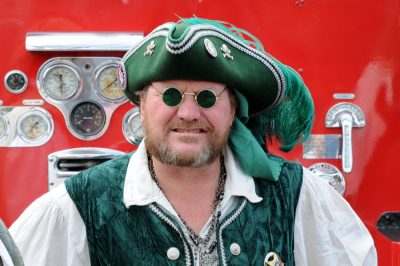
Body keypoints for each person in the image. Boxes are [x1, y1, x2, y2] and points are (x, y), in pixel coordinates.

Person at [10, 18, 377, 266]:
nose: (187, 113)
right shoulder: (73, 209)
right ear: (142, 102)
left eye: (206, 98)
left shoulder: (297, 196)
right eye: (170, 95)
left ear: (233, 108)